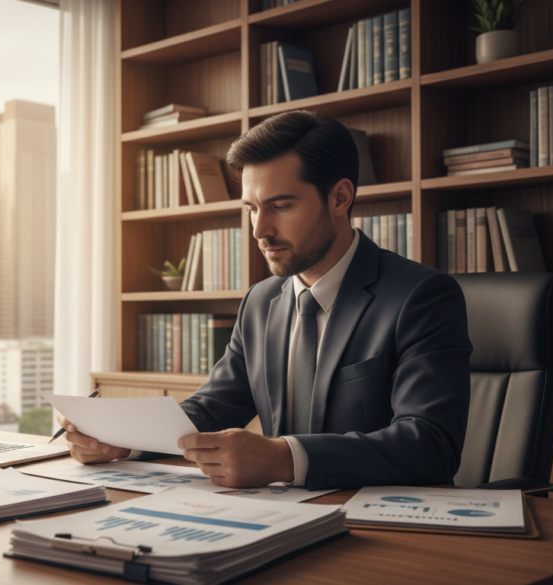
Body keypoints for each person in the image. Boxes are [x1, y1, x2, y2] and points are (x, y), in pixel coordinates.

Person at [59, 110, 472, 490]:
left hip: (382, 528)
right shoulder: (262, 300)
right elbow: (214, 407)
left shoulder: (420, 296)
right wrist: (121, 442)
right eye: (252, 208)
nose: (259, 230)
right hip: (279, 520)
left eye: (280, 206)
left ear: (340, 197)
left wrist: (282, 460)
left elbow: (430, 444)